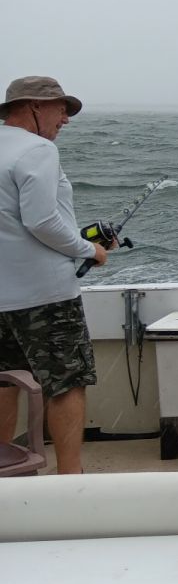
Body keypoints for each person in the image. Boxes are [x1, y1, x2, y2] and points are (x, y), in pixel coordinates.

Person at [0, 76, 114, 474]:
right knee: (66, 382)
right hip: (45, 297)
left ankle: (7, 472)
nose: (65, 119)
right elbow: (42, 221)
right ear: (34, 106)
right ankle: (70, 479)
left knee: (6, 381)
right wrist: (90, 250)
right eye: (60, 109)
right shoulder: (38, 149)